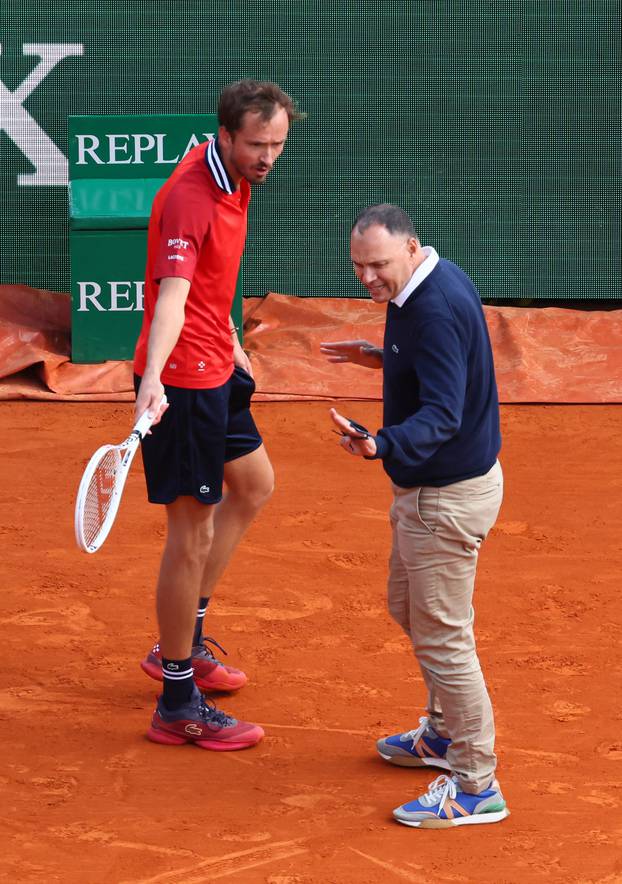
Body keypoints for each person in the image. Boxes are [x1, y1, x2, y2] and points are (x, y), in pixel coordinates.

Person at [321, 204, 509, 827]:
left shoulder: (430, 308)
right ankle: (441, 735)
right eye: (358, 265)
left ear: (410, 247)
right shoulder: (434, 278)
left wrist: (381, 443)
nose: (368, 277)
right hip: (441, 489)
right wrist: (381, 357)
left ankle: (476, 781)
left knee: (444, 636)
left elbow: (444, 414)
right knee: (409, 610)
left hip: (444, 496)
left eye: (378, 264)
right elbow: (437, 366)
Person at [133, 80, 304, 750]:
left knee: (255, 485)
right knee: (190, 536)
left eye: (278, 145)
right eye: (257, 144)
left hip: (215, 367)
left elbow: (212, 280)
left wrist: (232, 339)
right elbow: (172, 295)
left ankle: (185, 637)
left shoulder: (234, 178)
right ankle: (177, 697)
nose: (267, 157)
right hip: (181, 384)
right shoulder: (190, 197)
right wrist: (152, 382)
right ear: (225, 135)